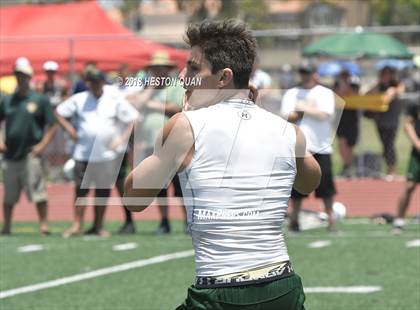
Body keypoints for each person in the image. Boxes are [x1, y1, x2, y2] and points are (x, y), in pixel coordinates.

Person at [124, 19, 321, 310]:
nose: (182, 77)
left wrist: (182, 119)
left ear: (223, 77)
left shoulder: (186, 125)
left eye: (193, 68)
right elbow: (309, 182)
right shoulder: (287, 130)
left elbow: (133, 197)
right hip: (283, 289)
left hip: (221, 292)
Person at [55, 68, 139, 237]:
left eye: (96, 81)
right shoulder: (79, 99)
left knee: (102, 190)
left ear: (102, 82)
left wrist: (121, 140)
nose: (94, 84)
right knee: (80, 191)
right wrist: (70, 130)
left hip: (106, 155)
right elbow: (59, 112)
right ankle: (77, 225)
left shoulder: (114, 99)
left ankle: (98, 225)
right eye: (91, 81)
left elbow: (133, 119)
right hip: (83, 153)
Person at [0, 57, 58, 235]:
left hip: (31, 153)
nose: (20, 79)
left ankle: (43, 224)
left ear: (30, 77)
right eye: (18, 75)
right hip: (10, 154)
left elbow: (53, 124)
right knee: (9, 195)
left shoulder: (39, 100)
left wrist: (42, 145)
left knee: (38, 192)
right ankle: (7, 226)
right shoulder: (8, 100)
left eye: (24, 76)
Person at [280, 63, 337, 232]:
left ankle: (331, 220)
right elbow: (286, 115)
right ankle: (294, 220)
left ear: (315, 74)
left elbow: (325, 114)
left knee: (326, 188)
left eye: (308, 73)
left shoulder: (325, 93)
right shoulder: (291, 93)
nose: (305, 76)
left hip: (321, 146)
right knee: (297, 188)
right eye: (303, 73)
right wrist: (305, 110)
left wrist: (303, 108)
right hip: (299, 146)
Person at [134, 51, 186, 234]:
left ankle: (187, 220)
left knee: (180, 186)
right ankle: (164, 221)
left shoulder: (175, 85)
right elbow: (136, 104)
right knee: (159, 187)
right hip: (152, 144)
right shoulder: (148, 89)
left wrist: (150, 105)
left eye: (161, 69)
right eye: (155, 69)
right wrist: (150, 90)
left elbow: (176, 107)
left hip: (173, 143)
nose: (158, 72)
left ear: (167, 69)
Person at [367, 66, 405, 179]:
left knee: (390, 145)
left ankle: (392, 170)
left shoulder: (396, 86)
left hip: (392, 120)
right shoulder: (379, 86)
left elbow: (400, 90)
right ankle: (389, 168)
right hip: (380, 120)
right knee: (384, 145)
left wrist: (392, 91)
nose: (386, 76)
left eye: (388, 74)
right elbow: (368, 93)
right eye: (384, 74)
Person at [393, 95, 420, 233]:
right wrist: (417, 144)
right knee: (409, 186)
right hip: (418, 153)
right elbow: (407, 124)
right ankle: (399, 221)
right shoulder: (415, 102)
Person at [334, 70, 360, 177]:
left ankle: (348, 166)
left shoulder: (354, 83)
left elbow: (356, 95)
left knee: (350, 145)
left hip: (352, 118)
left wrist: (347, 87)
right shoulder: (336, 84)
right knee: (341, 143)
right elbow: (337, 95)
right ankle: (348, 166)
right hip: (340, 117)